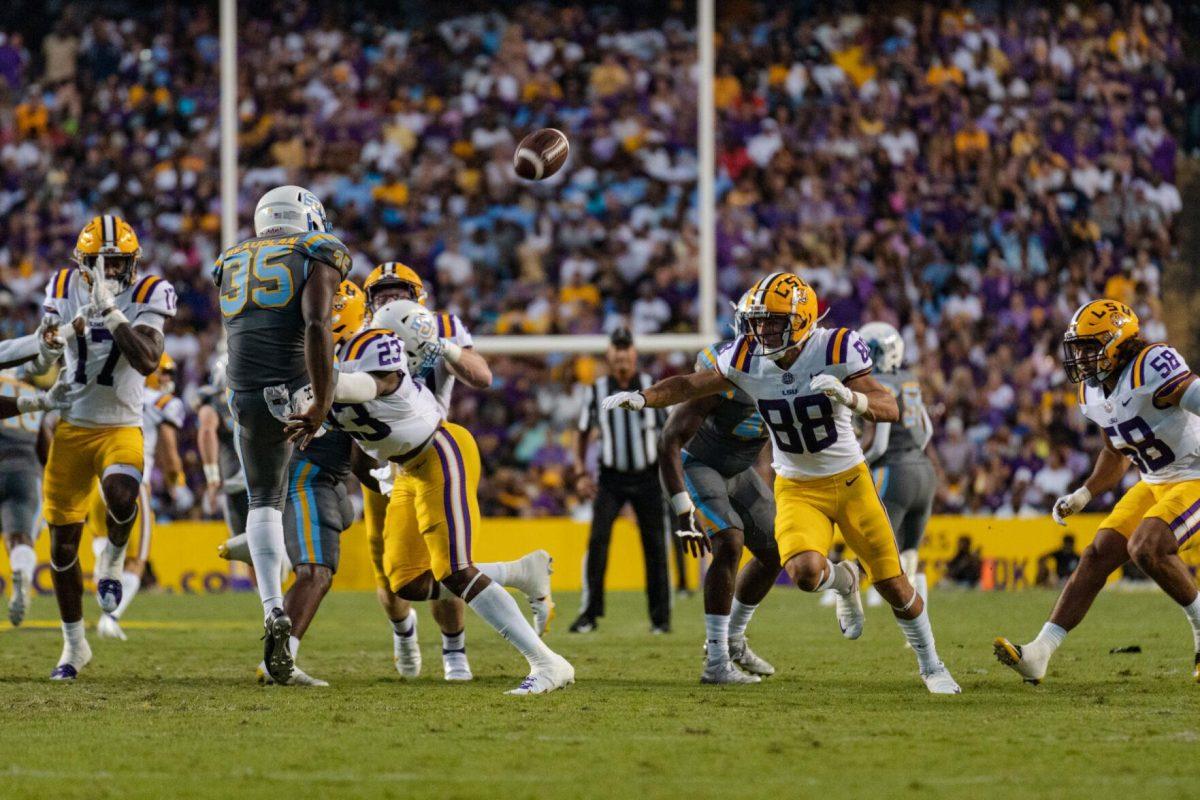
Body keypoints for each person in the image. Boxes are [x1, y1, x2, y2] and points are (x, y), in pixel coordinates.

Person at [603, 272, 961, 694]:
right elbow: (691, 384)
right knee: (804, 573)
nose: (761, 331)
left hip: (850, 481)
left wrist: (851, 399)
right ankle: (842, 582)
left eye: (773, 322)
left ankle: (932, 665)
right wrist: (646, 397)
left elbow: (888, 406)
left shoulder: (835, 346)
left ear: (802, 319)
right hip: (795, 485)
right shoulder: (746, 357)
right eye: (757, 321)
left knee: (893, 584)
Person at [313, 300, 572, 694]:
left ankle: (547, 662)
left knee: (455, 569)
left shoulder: (375, 344)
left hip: (439, 450)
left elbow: (370, 385)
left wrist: (317, 386)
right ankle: (518, 572)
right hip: (406, 469)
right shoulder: (332, 364)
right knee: (408, 581)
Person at [995, 300, 1200, 684]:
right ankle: (1039, 652)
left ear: (1117, 341)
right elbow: (1113, 451)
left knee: (1147, 547)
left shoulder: (1152, 366)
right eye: (1079, 348)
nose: (1082, 358)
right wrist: (1084, 494)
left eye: (1090, 347)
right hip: (1155, 482)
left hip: (1196, 476)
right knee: (1096, 554)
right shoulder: (1094, 391)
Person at [359, 262, 532, 682]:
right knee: (390, 569)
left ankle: (455, 650)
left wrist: (440, 346)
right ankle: (404, 633)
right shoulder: (358, 336)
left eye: (398, 293)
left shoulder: (442, 326)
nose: (389, 302)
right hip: (378, 458)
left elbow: (482, 376)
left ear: (418, 298)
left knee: (448, 558)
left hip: (428, 447)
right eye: (381, 296)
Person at [212, 186, 349, 684]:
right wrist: (321, 400)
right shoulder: (318, 249)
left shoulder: (229, 256)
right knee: (337, 460)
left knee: (263, 501)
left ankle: (273, 607)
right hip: (291, 385)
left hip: (241, 391)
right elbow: (316, 324)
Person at [40, 215, 177, 680]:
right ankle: (74, 646)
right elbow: (47, 349)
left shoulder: (150, 291)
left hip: (121, 423)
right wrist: (48, 347)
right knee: (62, 547)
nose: (110, 272)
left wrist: (112, 311)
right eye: (100, 263)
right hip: (73, 425)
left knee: (122, 496)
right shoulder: (60, 285)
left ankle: (115, 559)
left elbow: (147, 358)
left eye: (118, 262)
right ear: (81, 262)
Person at [658, 337, 781, 684]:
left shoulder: (792, 377)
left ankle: (733, 638)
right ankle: (715, 661)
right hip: (700, 465)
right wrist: (683, 512)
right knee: (728, 541)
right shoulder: (723, 379)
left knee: (777, 551)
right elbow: (669, 440)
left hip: (740, 472)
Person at [570, 327, 671, 634]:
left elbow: (669, 433)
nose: (623, 355)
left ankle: (660, 619)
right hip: (611, 478)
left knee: (655, 547)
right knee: (598, 542)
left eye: (627, 349)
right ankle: (589, 613)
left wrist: (671, 472)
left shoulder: (651, 387)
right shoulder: (597, 389)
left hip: (648, 477)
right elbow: (582, 432)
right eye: (617, 349)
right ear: (610, 355)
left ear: (634, 354)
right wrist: (579, 472)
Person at [87, 352, 190, 640]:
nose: (168, 378)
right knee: (137, 558)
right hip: (133, 481)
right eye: (165, 372)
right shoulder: (163, 402)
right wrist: (177, 482)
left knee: (102, 540)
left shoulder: (117, 391)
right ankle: (111, 617)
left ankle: (105, 571)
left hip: (98, 477)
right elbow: (168, 450)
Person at [858, 321, 940, 606]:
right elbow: (926, 431)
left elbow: (879, 444)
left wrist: (858, 464)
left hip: (894, 472)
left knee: (879, 543)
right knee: (910, 553)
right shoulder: (909, 378)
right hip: (923, 470)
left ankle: (869, 595)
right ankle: (920, 610)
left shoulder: (878, 384)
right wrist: (912, 455)